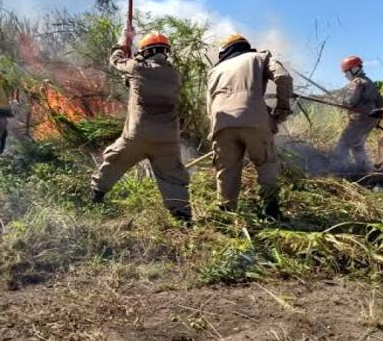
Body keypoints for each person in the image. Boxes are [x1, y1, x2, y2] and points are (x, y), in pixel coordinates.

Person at [91, 29, 192, 223]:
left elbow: (116, 60)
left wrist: (124, 40)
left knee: (115, 161)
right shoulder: (174, 76)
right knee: (173, 178)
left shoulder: (138, 69)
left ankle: (96, 197)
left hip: (139, 135)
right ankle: (183, 219)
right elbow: (149, 85)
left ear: (146, 52)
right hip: (167, 140)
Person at [206, 33, 293, 218]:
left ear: (224, 52)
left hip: (221, 123)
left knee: (226, 168)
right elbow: (284, 77)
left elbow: (209, 106)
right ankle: (271, 210)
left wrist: (215, 130)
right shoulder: (260, 57)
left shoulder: (214, 71)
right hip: (255, 120)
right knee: (266, 163)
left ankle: (227, 213)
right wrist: (282, 109)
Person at [332, 56, 383, 173]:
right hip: (371, 120)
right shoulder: (369, 81)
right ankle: (365, 168)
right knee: (357, 145)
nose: (345, 75)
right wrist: (377, 119)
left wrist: (340, 101)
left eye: (346, 71)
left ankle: (337, 168)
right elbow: (381, 103)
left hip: (359, 120)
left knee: (343, 144)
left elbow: (351, 101)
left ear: (354, 69)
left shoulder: (356, 82)